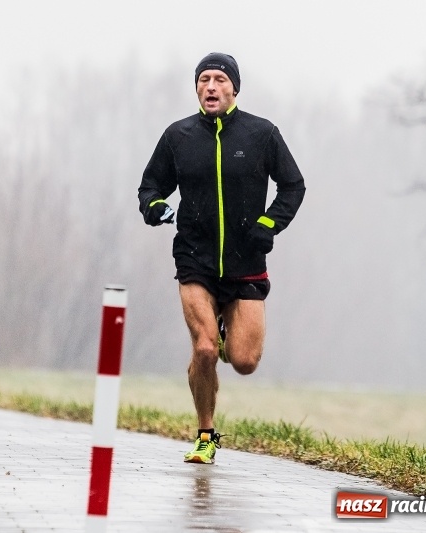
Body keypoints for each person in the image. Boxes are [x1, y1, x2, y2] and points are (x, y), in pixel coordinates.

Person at [138, 53, 306, 464]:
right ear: (197, 87)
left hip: (246, 260)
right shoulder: (178, 136)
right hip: (195, 258)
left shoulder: (261, 134)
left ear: (234, 88)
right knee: (206, 349)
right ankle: (206, 434)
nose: (210, 86)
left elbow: (293, 186)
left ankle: (221, 345)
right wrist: (156, 206)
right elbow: (150, 187)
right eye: (203, 79)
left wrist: (269, 224)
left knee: (245, 362)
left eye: (218, 79)